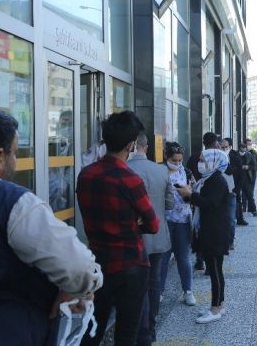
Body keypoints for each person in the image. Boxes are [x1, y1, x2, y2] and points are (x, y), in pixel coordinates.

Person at [0, 107, 103, 346]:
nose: (15, 161)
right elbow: (80, 269)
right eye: (15, 152)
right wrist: (80, 288)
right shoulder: (11, 202)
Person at [77, 110, 160, 346]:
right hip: (130, 264)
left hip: (97, 262)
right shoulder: (130, 179)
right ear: (131, 145)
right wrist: (134, 221)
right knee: (127, 334)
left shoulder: (86, 175)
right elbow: (153, 224)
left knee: (92, 329)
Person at [127, 133, 174, 345]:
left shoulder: (125, 169)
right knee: (154, 283)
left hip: (133, 239)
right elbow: (170, 204)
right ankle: (151, 328)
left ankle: (140, 330)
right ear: (147, 147)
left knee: (135, 287)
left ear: (131, 145)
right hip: (158, 236)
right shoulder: (161, 170)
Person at [178, 149, 230, 324]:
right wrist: (189, 195)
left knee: (215, 271)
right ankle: (219, 305)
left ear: (213, 162)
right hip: (211, 230)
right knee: (216, 270)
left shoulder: (217, 181)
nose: (200, 163)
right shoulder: (208, 179)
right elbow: (202, 201)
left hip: (215, 233)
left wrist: (190, 195)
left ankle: (215, 309)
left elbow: (210, 204)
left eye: (203, 160)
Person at [158, 142, 197, 306]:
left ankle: (188, 291)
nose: (177, 163)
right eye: (174, 160)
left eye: (180, 160)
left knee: (183, 257)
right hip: (164, 221)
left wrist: (188, 192)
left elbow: (194, 193)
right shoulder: (159, 171)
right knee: (163, 258)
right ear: (166, 157)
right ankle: (159, 291)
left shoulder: (186, 172)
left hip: (182, 220)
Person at [187, 132, 221, 271]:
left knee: (198, 227)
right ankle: (207, 261)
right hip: (210, 198)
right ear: (215, 143)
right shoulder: (218, 158)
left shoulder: (194, 157)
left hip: (196, 196)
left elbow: (188, 175)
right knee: (208, 228)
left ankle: (200, 259)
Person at [221, 138, 248, 230]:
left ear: (230, 147)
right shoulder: (218, 156)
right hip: (221, 185)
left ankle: (239, 218)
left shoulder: (235, 156)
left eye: (225, 147)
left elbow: (240, 174)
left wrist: (237, 188)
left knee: (236, 201)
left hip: (234, 185)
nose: (223, 148)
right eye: (222, 147)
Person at [238, 142, 257, 217]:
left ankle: (253, 210)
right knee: (237, 195)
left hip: (247, 177)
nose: (244, 148)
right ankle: (240, 210)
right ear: (239, 148)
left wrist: (248, 167)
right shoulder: (235, 155)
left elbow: (254, 166)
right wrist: (239, 167)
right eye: (242, 147)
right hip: (237, 177)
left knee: (249, 194)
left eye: (245, 147)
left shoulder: (249, 155)